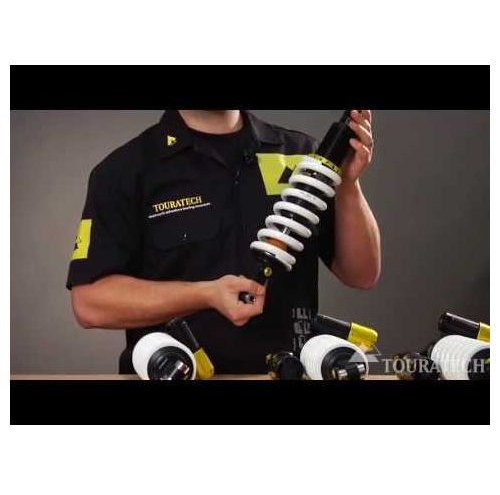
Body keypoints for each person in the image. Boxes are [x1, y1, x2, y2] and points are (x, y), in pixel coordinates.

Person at [66, 110, 381, 374]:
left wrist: (348, 184)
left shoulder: (302, 156)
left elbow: (362, 273)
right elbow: (91, 303)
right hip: (175, 375)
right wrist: (205, 294)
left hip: (290, 372)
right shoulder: (126, 170)